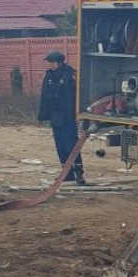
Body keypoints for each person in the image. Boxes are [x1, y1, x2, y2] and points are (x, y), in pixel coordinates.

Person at [38, 51, 85, 184]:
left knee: (71, 144)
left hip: (69, 115)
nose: (50, 65)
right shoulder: (49, 75)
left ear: (59, 62)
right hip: (56, 115)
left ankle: (78, 173)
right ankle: (67, 174)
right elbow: (45, 94)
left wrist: (78, 114)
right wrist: (42, 115)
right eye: (49, 62)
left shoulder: (70, 74)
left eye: (52, 62)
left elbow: (74, 95)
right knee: (60, 145)